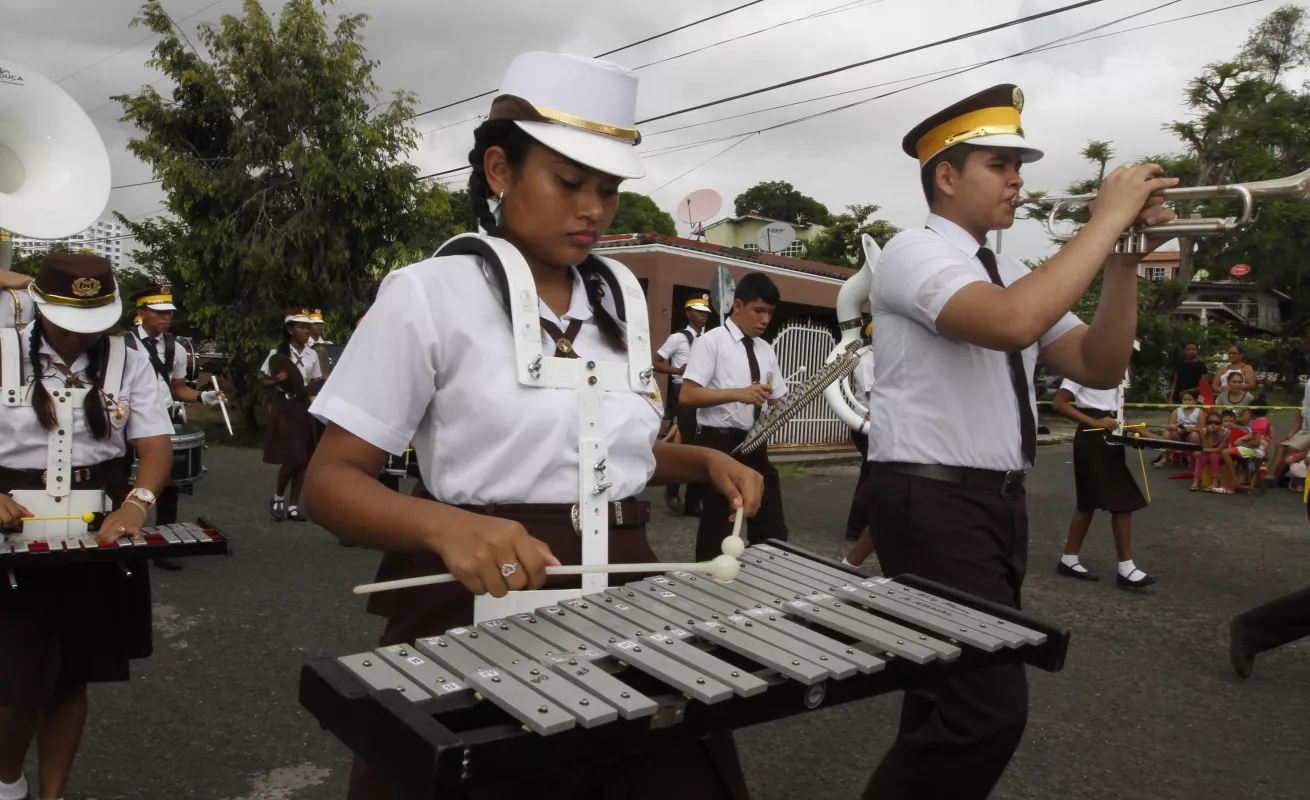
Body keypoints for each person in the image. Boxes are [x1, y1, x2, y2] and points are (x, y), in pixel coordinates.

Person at [301, 51, 763, 800]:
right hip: (482, 592)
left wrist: (704, 465)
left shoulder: (619, 299)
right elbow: (329, 483)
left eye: (608, 190)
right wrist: (447, 528)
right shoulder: (426, 294)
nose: (593, 210)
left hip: (629, 592)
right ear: (498, 171)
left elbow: (603, 454)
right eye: (569, 183)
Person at [860, 83, 1176, 800]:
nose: (1018, 181)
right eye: (1000, 165)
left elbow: (1100, 363)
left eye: (1018, 165)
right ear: (946, 176)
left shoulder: (997, 272)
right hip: (932, 495)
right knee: (986, 710)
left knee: (944, 697)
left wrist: (1125, 255)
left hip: (991, 502)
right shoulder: (913, 253)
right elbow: (1009, 324)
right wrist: (1104, 219)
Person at [0, 254, 173, 800]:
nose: (80, 338)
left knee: (72, 674)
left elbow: (153, 444)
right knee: (16, 680)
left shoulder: (129, 358)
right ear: (41, 309)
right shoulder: (3, 349)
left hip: (96, 530)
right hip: (11, 528)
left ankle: (53, 794)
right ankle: (7, 782)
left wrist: (137, 505)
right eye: (68, 324)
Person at [679, 272, 790, 562]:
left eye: (769, 313)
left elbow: (778, 399)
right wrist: (739, 393)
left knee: (774, 533)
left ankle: (763, 590)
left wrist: (790, 405)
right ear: (738, 306)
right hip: (719, 445)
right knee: (718, 529)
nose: (765, 319)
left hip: (756, 444)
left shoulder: (766, 348)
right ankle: (704, 591)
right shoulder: (712, 341)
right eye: (759, 311)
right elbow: (688, 395)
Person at [125, 283, 225, 570]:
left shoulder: (175, 347)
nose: (165, 317)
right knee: (124, 480)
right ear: (142, 312)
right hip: (128, 419)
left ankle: (161, 545)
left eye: (168, 312)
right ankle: (121, 540)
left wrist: (204, 397)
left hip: (164, 419)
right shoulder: (123, 344)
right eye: (158, 312)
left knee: (166, 485)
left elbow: (178, 388)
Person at [1052, 374, 1155, 587]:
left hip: (1111, 435)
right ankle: (1126, 568)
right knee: (1123, 500)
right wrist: (1093, 421)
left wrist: (1138, 431)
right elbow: (1059, 403)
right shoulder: (1084, 367)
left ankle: (1069, 559)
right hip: (1091, 436)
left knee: (1088, 501)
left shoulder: (1120, 372)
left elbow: (1116, 412)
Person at [261, 308, 323, 522]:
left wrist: (315, 388)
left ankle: (294, 506)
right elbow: (263, 382)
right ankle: (278, 497)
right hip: (285, 407)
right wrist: (278, 380)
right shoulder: (276, 355)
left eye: (309, 327)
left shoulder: (312, 354)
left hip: (304, 407)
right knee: (294, 457)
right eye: (302, 327)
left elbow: (316, 380)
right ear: (290, 329)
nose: (307, 331)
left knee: (304, 459)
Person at [654, 294, 710, 516]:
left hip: (705, 391)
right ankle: (672, 489)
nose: (704, 315)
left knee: (702, 442)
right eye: (699, 311)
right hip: (682, 389)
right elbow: (655, 361)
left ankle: (693, 501)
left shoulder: (710, 338)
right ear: (688, 313)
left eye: (706, 312)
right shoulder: (678, 338)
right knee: (687, 442)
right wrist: (676, 370)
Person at [843, 323, 876, 567]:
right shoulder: (867, 359)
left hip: (878, 424)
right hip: (865, 424)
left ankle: (860, 526)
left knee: (871, 472)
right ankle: (856, 527)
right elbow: (872, 394)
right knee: (872, 472)